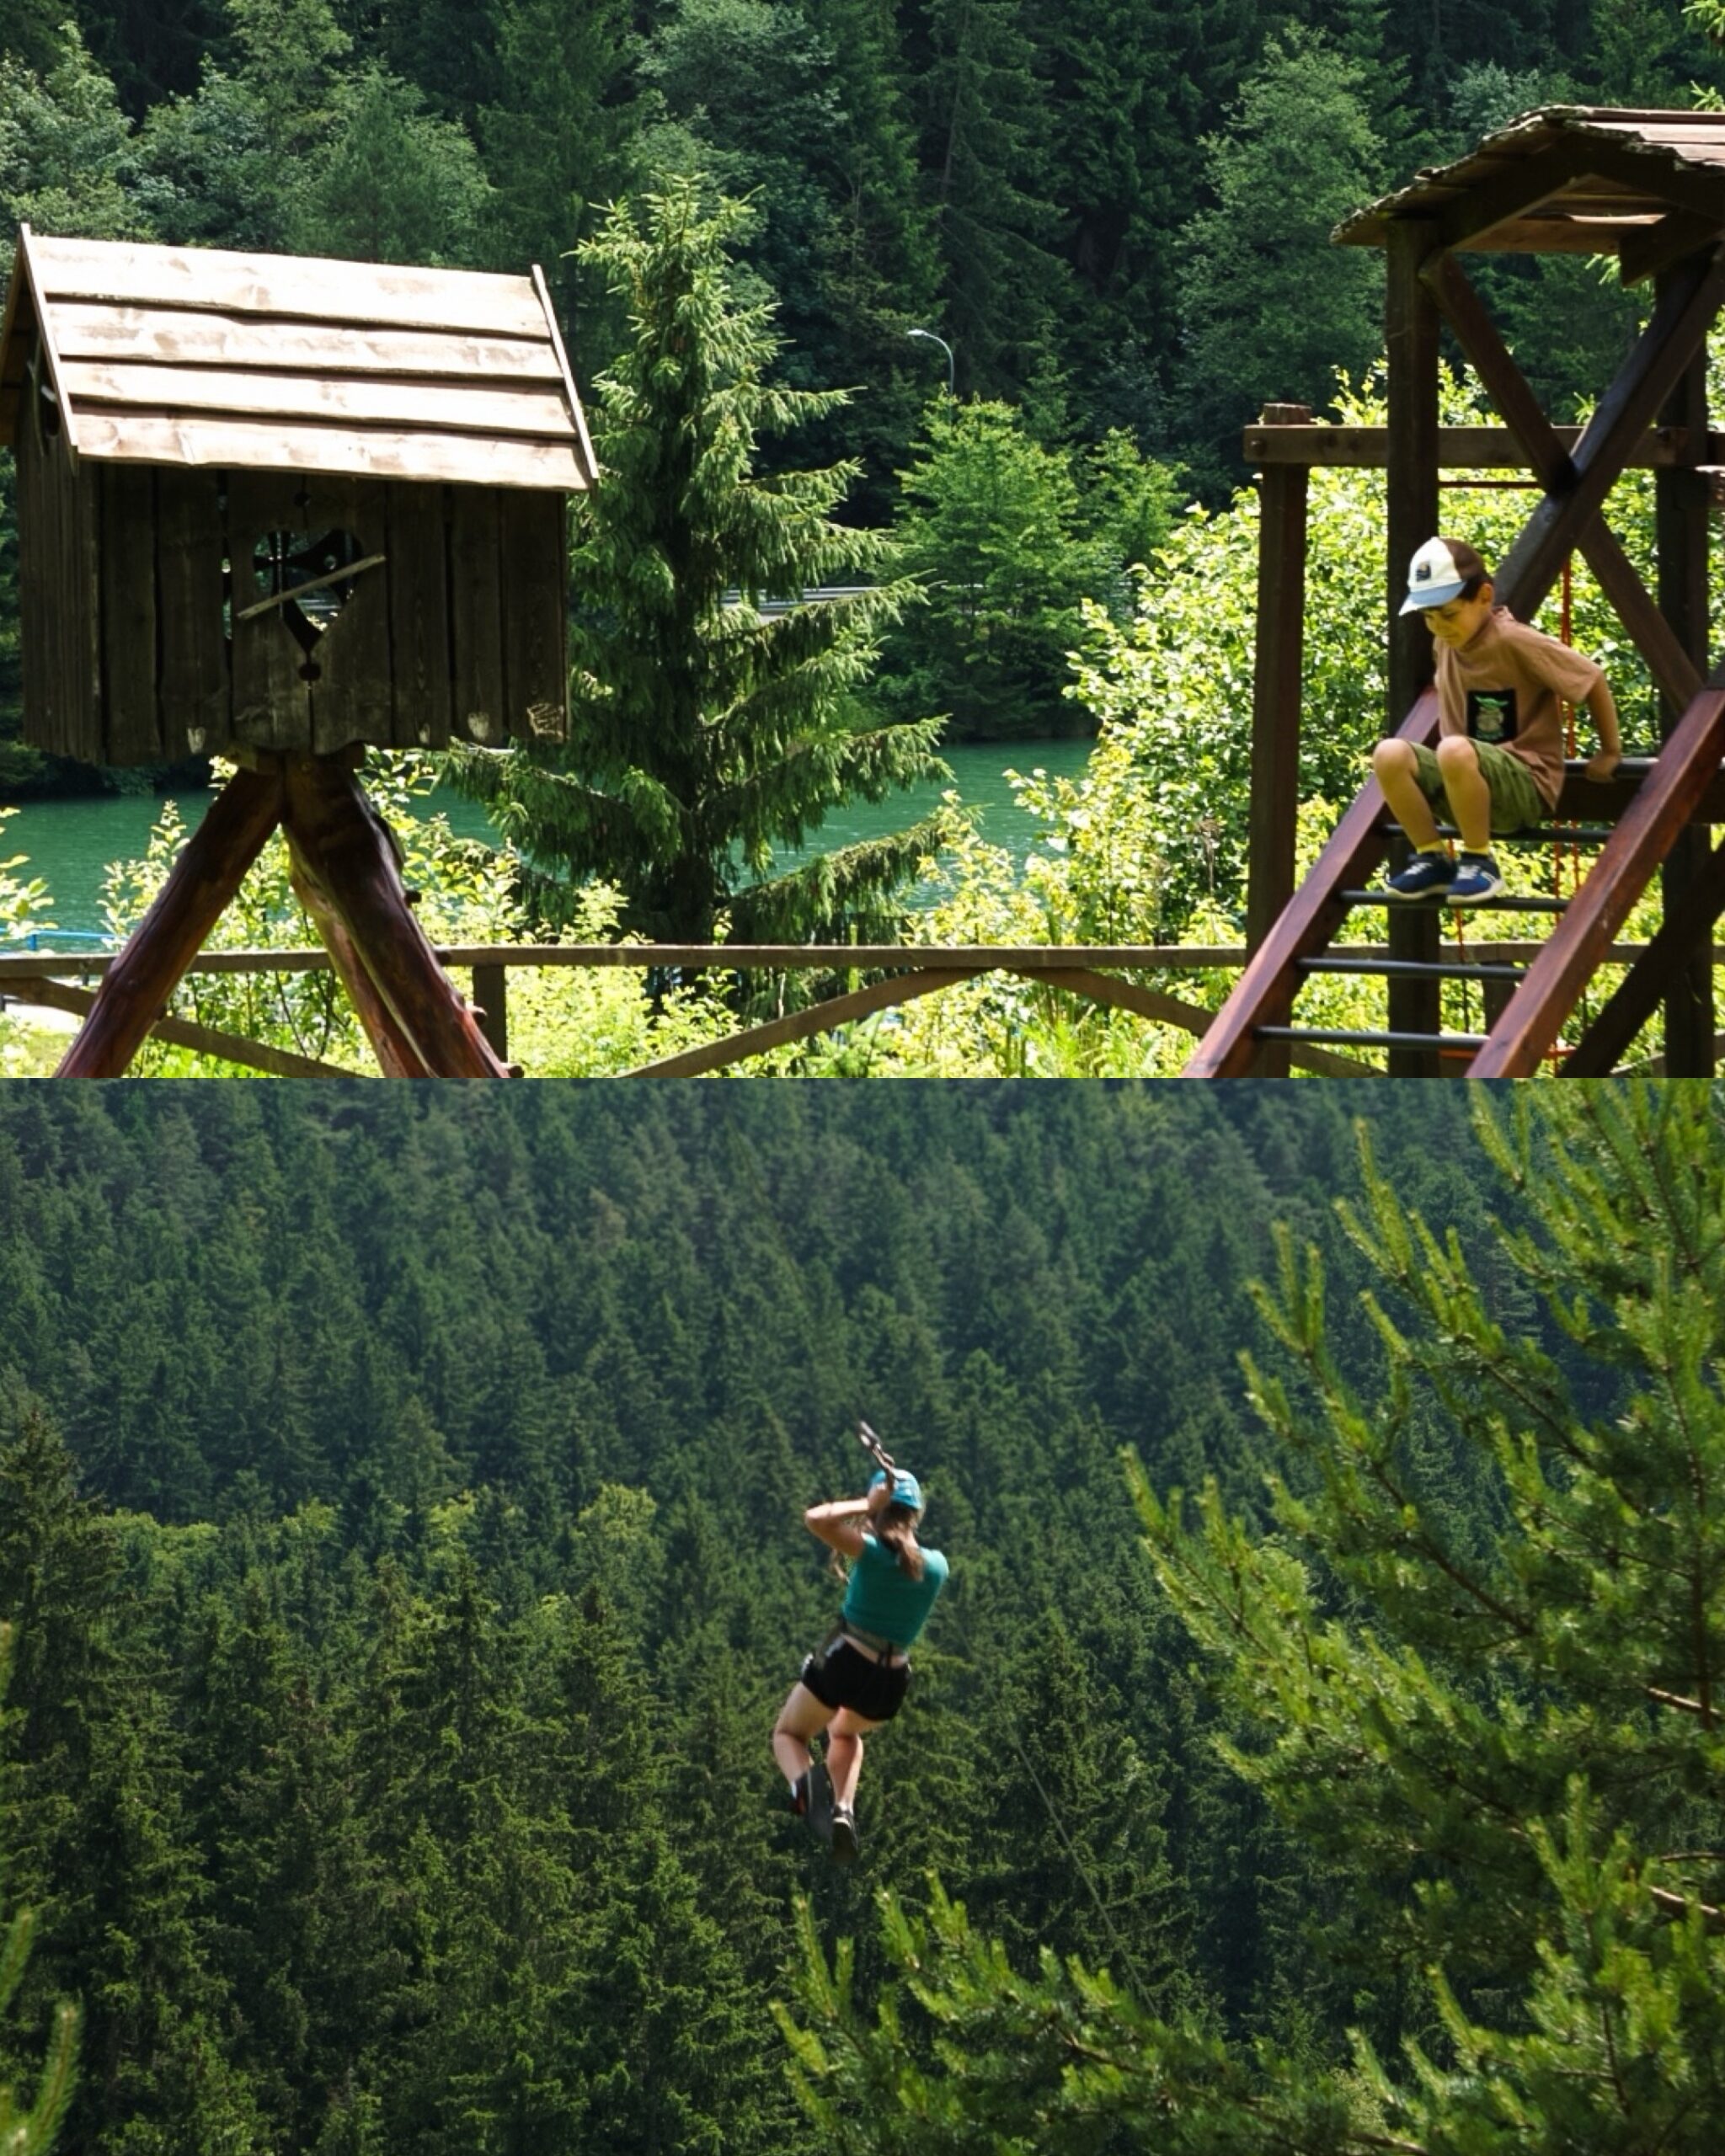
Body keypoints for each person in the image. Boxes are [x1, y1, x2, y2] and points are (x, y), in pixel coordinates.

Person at [1372, 536, 1621, 905]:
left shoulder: (1514, 640)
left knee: (1454, 747)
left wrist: (1610, 750)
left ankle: (1479, 861)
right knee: (1389, 753)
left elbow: (1591, 679)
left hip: (1523, 785)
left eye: (1449, 613)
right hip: (1466, 785)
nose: (1439, 626)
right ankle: (1432, 856)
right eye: (1429, 617)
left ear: (1485, 597)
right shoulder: (1446, 643)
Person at [771, 1465, 948, 1864]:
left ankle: (805, 1788)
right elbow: (903, 1557)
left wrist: (866, 1504)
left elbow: (815, 1519)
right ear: (916, 1514)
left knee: (788, 1735)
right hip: (892, 1681)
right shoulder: (937, 1566)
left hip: (848, 1660)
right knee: (846, 1734)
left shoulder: (869, 1554)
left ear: (879, 1511)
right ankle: (844, 1809)